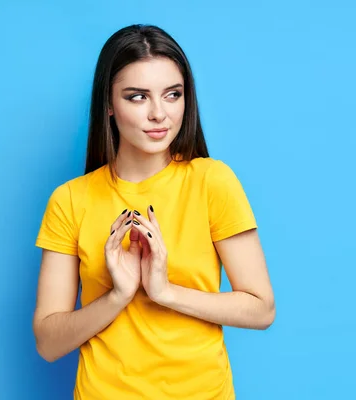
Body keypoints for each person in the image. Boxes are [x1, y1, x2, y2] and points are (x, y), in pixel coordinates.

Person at [32, 24, 275, 400]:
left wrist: (164, 292)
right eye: (138, 97)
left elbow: (261, 309)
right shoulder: (70, 200)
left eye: (172, 94)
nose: (159, 113)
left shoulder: (213, 181)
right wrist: (118, 296)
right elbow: (48, 343)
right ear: (109, 105)